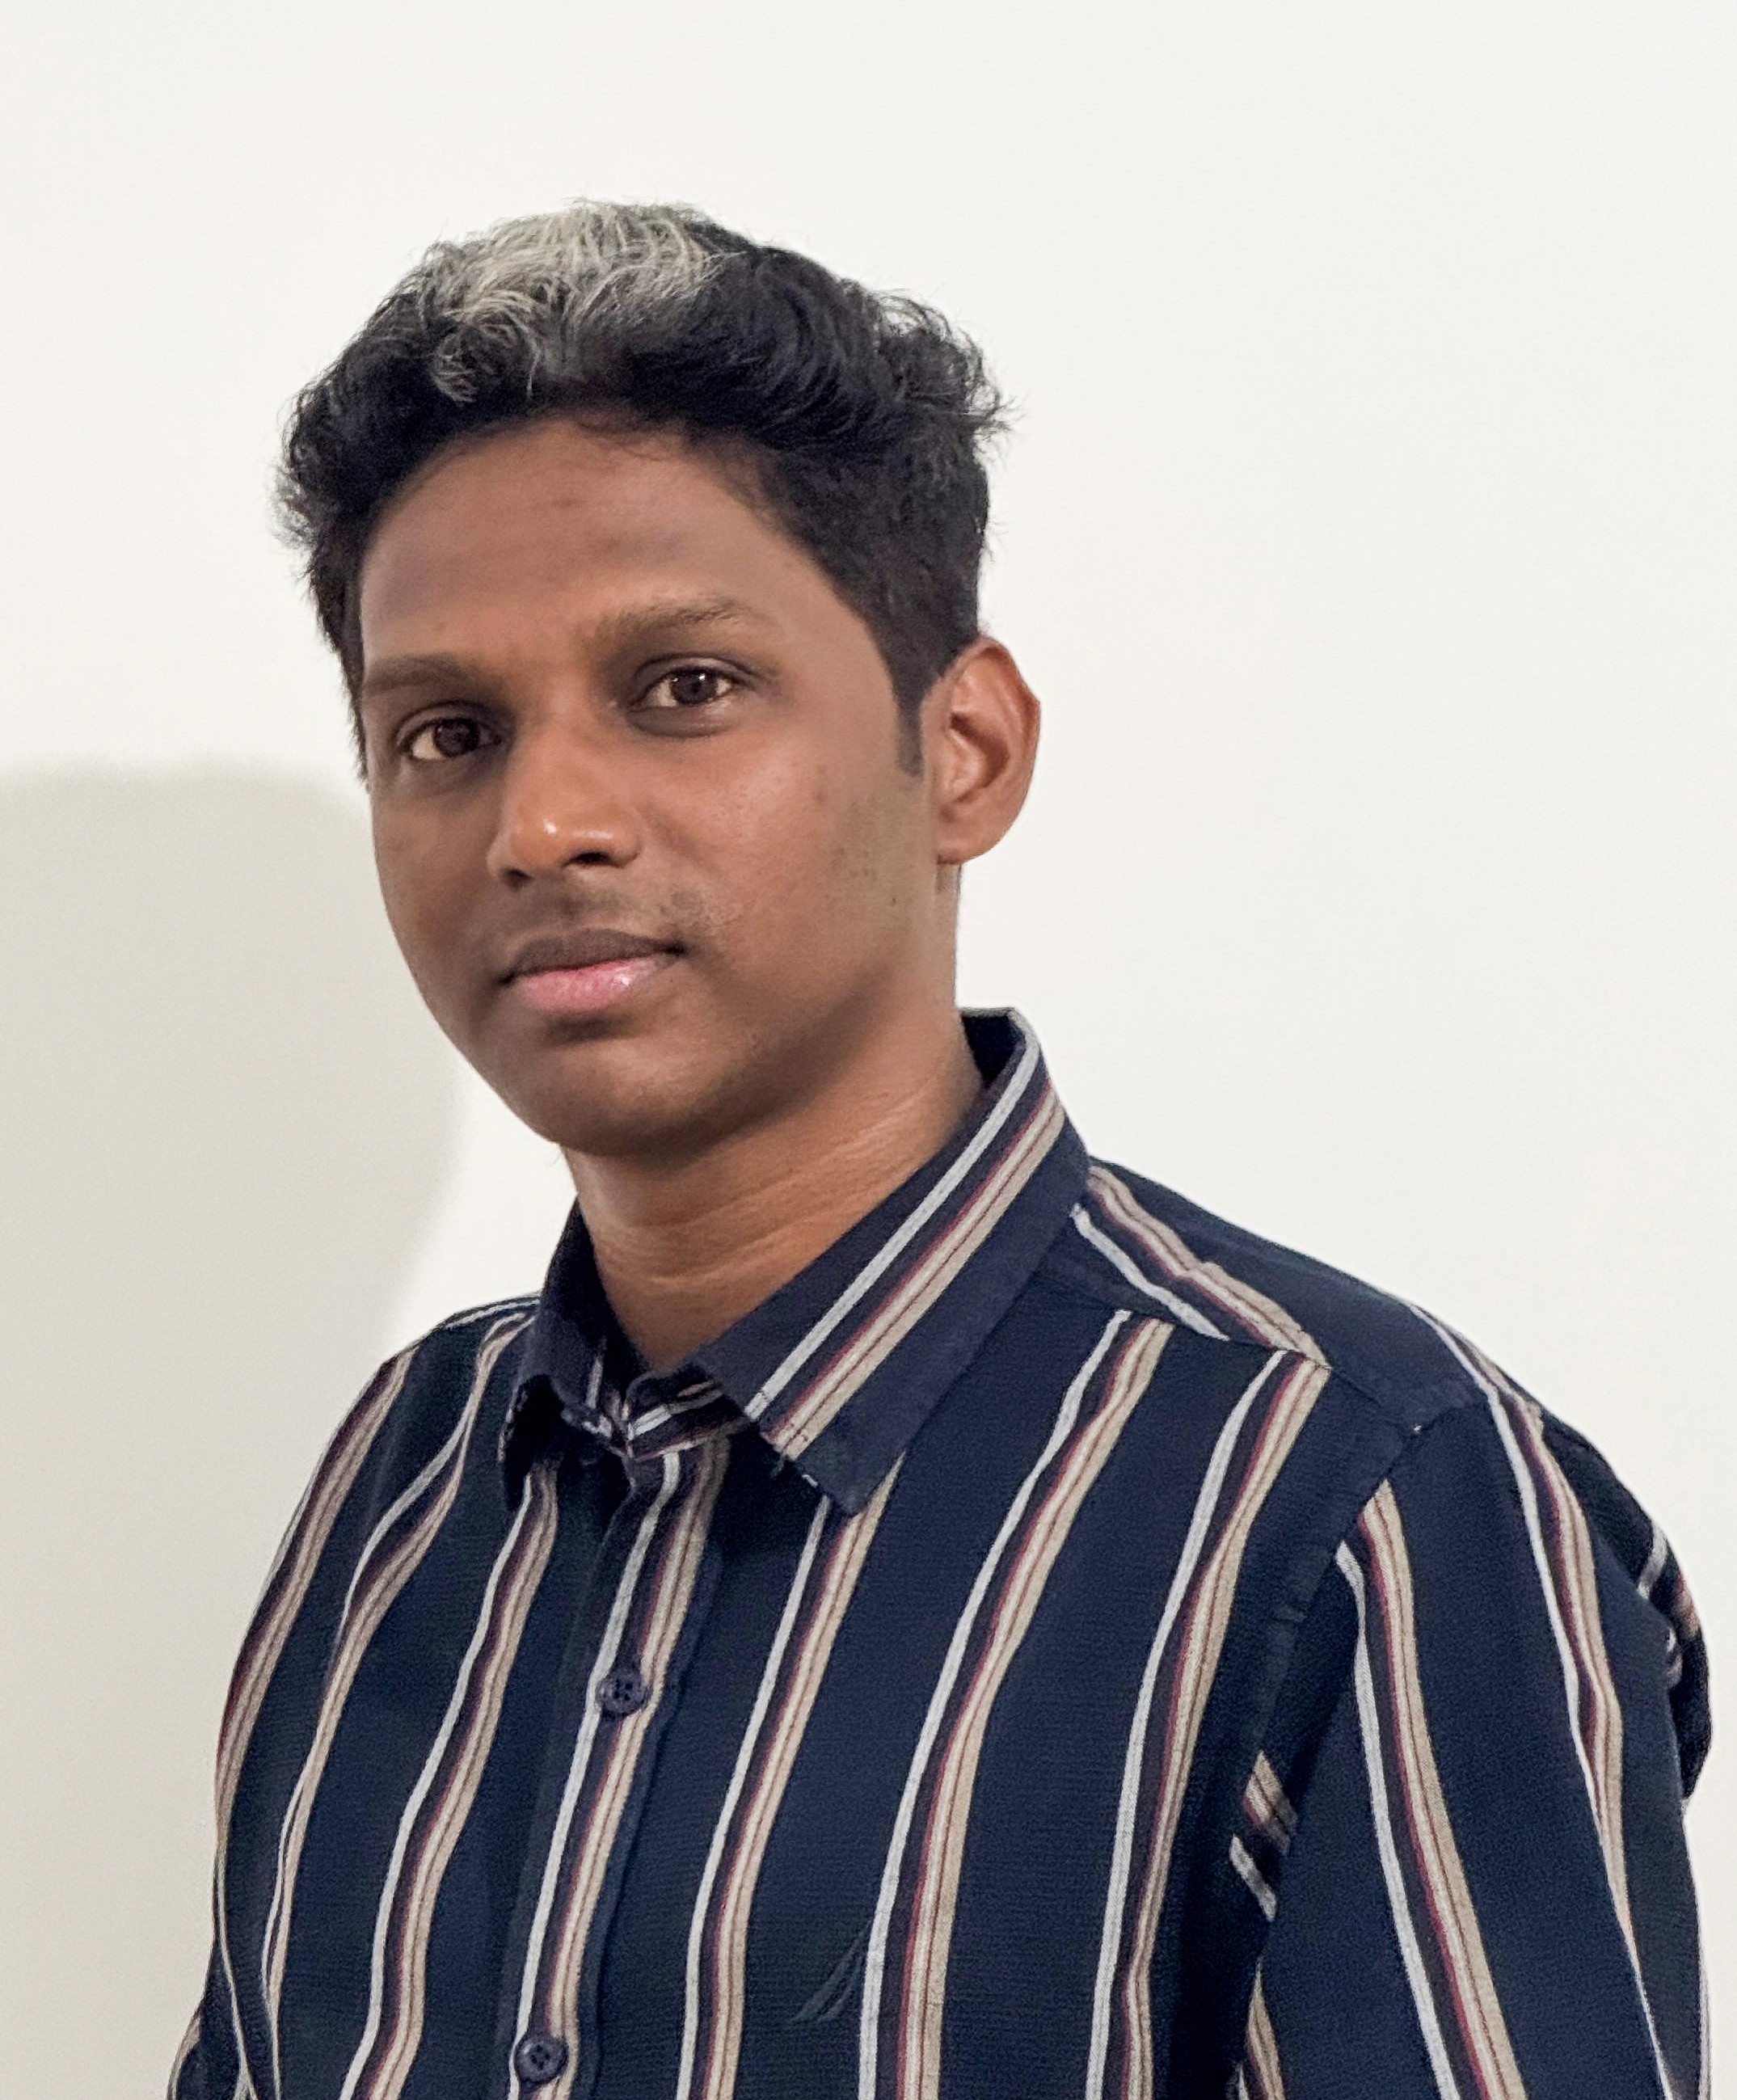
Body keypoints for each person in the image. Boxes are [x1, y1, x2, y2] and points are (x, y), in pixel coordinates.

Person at [172, 203, 1709, 2100]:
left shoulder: (1356, 1502)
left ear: (963, 750)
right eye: (445, 732)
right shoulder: (402, 1483)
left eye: (684, 688)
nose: (541, 822)